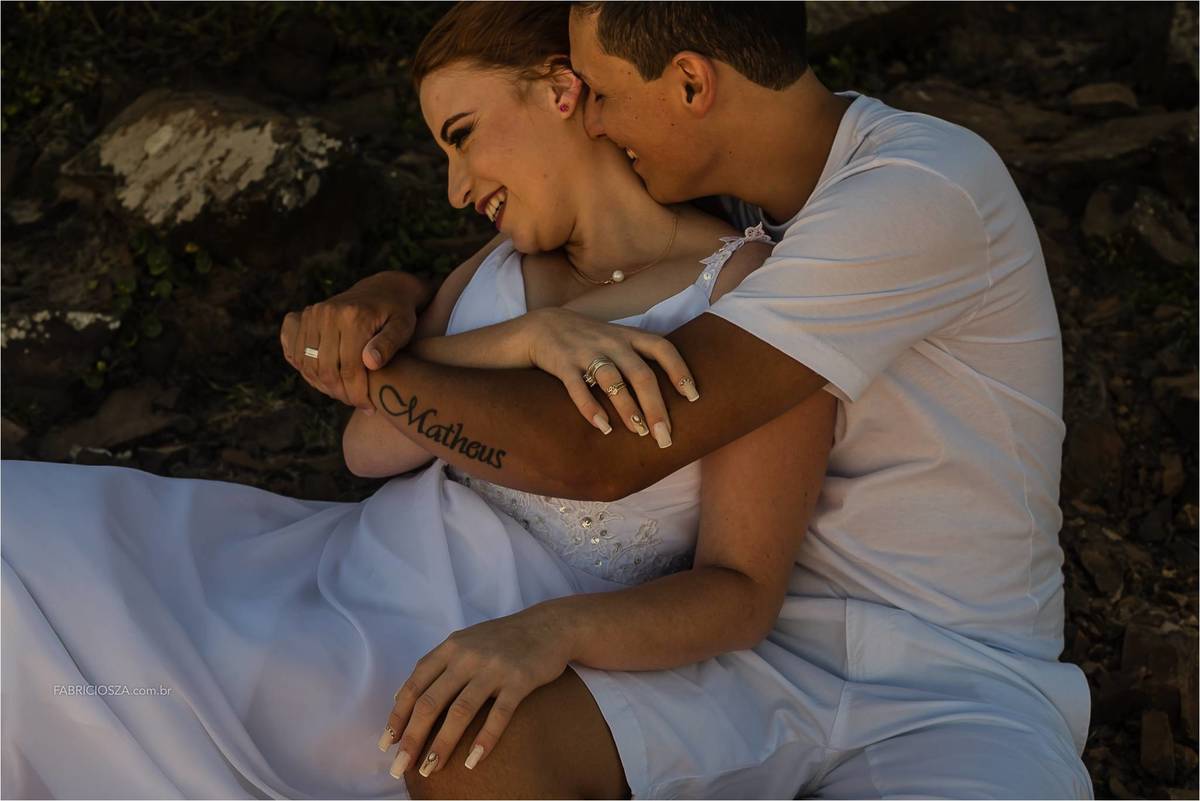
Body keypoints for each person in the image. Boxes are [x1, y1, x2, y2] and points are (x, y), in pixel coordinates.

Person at [0, 3, 841, 799]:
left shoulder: (742, 292)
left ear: (562, 89)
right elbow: (368, 446)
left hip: (457, 641)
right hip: (345, 568)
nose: (455, 186)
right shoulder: (498, 268)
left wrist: (553, 633)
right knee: (27, 538)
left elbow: (740, 590)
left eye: (463, 137)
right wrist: (525, 338)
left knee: (113, 672)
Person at [288, 1, 1097, 798]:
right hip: (757, 660)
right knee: (474, 751)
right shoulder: (746, 198)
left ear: (689, 83)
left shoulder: (919, 190)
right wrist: (386, 296)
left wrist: (363, 372)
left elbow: (600, 453)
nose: (592, 123)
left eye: (600, 94)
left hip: (954, 683)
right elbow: (520, 284)